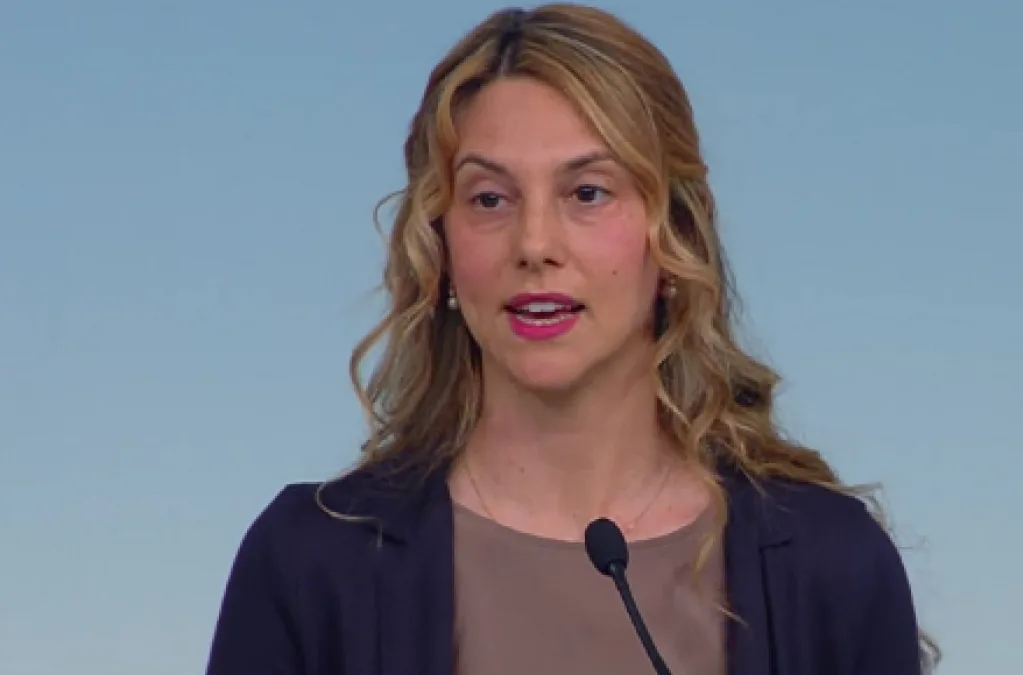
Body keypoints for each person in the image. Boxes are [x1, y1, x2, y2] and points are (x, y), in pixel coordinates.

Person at [205, 4, 940, 674]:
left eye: (587, 193)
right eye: (489, 198)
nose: (534, 243)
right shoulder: (308, 563)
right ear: (441, 247)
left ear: (675, 235)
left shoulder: (831, 566)